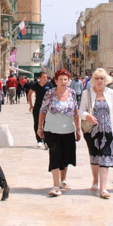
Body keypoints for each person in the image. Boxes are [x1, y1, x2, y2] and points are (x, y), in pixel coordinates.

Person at [79, 68, 113, 199]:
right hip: (92, 132)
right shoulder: (87, 93)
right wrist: (87, 116)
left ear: (106, 80)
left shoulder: (110, 93)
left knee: (105, 158)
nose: (99, 81)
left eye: (102, 78)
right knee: (94, 157)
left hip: (108, 130)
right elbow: (80, 111)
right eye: (97, 78)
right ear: (93, 80)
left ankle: (103, 188)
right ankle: (95, 180)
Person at [37, 69, 81, 197]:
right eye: (60, 79)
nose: (63, 82)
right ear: (56, 81)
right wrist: (40, 128)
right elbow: (42, 111)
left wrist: (78, 130)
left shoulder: (72, 93)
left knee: (66, 157)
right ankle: (56, 186)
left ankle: (63, 180)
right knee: (55, 155)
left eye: (65, 79)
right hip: (52, 130)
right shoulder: (49, 93)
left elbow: (76, 112)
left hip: (68, 130)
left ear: (69, 81)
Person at [28, 71, 52, 148]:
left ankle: (45, 140)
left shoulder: (49, 85)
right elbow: (29, 94)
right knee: (37, 123)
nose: (45, 78)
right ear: (39, 78)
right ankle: (39, 140)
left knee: (46, 124)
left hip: (47, 108)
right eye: (44, 77)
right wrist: (31, 105)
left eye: (46, 77)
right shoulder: (35, 85)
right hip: (37, 107)